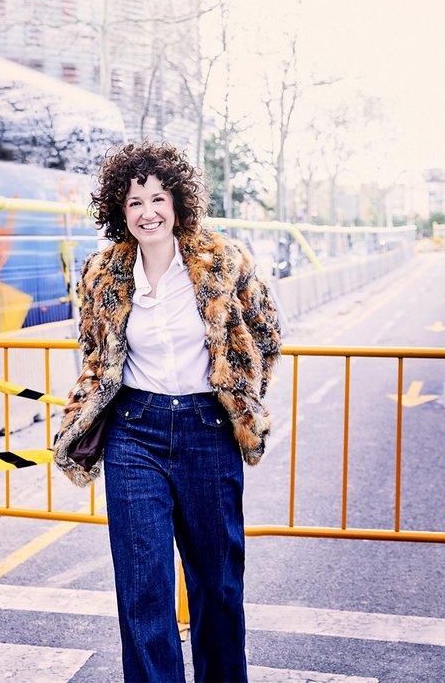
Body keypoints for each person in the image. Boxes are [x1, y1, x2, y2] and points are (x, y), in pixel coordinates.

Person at [53, 140, 281, 682]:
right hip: (135, 433)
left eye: (158, 198)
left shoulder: (224, 262)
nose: (148, 212)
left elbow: (266, 336)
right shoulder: (102, 273)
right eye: (134, 202)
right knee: (142, 589)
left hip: (208, 431)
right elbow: (93, 349)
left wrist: (242, 398)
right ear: (118, 210)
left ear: (179, 203)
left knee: (218, 586)